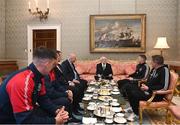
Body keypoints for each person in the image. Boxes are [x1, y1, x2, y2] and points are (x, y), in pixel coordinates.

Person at [0, 47, 69, 124]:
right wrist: (54, 121)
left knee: (53, 115)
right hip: (7, 119)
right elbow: (25, 122)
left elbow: (43, 99)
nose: (54, 68)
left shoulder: (38, 76)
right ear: (47, 63)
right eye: (54, 65)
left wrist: (56, 110)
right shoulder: (22, 82)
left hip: (23, 113)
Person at [125, 55, 170, 121]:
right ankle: (133, 107)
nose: (150, 62)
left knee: (134, 93)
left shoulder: (164, 70)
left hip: (156, 94)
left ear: (156, 62)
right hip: (147, 90)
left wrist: (148, 88)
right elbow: (148, 81)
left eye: (152, 61)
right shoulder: (154, 69)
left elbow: (164, 87)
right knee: (128, 87)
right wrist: (144, 86)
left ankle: (136, 114)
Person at [45, 50, 81, 122]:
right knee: (66, 100)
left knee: (71, 92)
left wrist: (67, 91)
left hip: (57, 89)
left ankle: (72, 113)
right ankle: (69, 117)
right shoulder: (47, 72)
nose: (60, 58)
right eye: (58, 56)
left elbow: (56, 84)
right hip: (49, 96)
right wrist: (65, 93)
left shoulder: (55, 68)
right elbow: (50, 92)